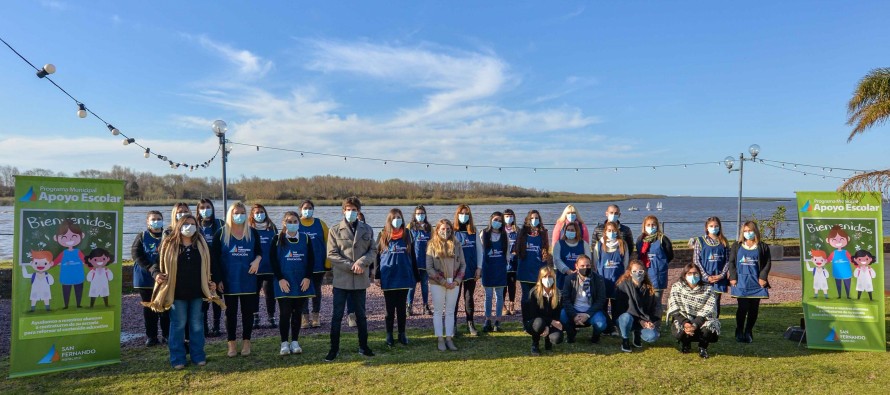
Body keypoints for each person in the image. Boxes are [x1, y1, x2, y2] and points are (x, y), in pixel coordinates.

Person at [144, 213, 224, 369]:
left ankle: (198, 356)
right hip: (177, 293)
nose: (189, 227)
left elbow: (212, 265)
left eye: (193, 224)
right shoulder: (168, 244)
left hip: (198, 292)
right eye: (186, 223)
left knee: (197, 325)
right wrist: (156, 274)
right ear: (179, 226)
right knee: (178, 325)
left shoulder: (202, 243)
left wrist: (213, 282)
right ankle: (177, 358)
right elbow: (156, 264)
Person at [325, 196, 376, 362]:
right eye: (348, 209)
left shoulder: (367, 229)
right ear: (343, 211)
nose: (351, 212)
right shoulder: (334, 230)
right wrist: (351, 265)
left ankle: (364, 346)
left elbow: (373, 251)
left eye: (354, 210)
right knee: (337, 315)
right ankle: (334, 349)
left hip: (360, 279)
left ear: (359, 211)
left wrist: (361, 262)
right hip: (342, 280)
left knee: (361, 315)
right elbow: (332, 254)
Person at [212, 202, 262, 357]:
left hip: (248, 279)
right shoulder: (220, 233)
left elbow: (259, 252)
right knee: (230, 313)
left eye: (242, 212)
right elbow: (214, 259)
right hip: (229, 280)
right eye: (236, 212)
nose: (239, 215)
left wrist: (257, 260)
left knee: (248, 312)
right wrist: (218, 279)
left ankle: (246, 342)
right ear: (230, 214)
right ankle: (231, 344)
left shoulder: (252, 232)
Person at [270, 211, 315, 356]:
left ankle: (295, 341)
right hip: (284, 282)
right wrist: (280, 279)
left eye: (295, 221)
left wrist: (308, 277)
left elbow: (311, 260)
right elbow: (273, 261)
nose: (293, 224)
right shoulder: (277, 239)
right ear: (284, 223)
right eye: (290, 221)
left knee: (298, 312)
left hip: (301, 282)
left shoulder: (306, 238)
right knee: (285, 313)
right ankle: (284, 342)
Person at [374, 208, 418, 346]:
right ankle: (389, 335)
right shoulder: (382, 234)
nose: (397, 220)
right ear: (389, 219)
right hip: (388, 276)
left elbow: (413, 256)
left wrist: (416, 275)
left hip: (403, 275)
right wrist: (377, 276)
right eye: (394, 217)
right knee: (389, 309)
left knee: (401, 308)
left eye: (399, 217)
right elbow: (376, 256)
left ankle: (402, 333)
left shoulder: (408, 234)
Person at [727, 221, 771, 343]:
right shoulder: (737, 245)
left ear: (755, 231)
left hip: (756, 282)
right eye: (745, 231)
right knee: (743, 307)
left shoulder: (763, 246)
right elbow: (731, 262)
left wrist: (763, 277)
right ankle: (739, 330)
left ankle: (748, 331)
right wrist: (733, 277)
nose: (748, 233)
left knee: (754, 308)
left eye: (750, 231)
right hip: (741, 281)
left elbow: (767, 262)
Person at [426, 219, 466, 351]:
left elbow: (463, 265)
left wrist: (457, 281)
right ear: (437, 230)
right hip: (437, 283)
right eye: (442, 229)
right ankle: (440, 338)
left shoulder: (457, 244)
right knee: (438, 311)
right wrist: (442, 282)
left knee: (450, 312)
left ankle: (449, 338)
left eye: (448, 229)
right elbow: (429, 268)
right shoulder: (431, 245)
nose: (445, 231)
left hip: (454, 282)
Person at [131, 210, 169, 346]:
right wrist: (151, 269)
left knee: (165, 307)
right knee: (149, 309)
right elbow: (136, 255)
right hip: (145, 277)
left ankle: (166, 335)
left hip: (164, 277)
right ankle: (151, 336)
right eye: (153, 219)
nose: (156, 221)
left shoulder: (168, 235)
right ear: (147, 222)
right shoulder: (142, 236)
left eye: (159, 218)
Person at [666, 263, 720, 359]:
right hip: (684, 318)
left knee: (708, 329)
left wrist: (695, 324)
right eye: (690, 273)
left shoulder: (708, 289)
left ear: (700, 274)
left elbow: (708, 310)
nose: (693, 276)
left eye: (695, 273)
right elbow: (674, 308)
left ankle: (703, 347)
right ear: (684, 275)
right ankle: (686, 344)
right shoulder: (677, 287)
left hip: (702, 320)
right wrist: (686, 323)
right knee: (679, 331)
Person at [613, 260, 660, 352]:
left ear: (644, 273)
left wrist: (649, 321)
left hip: (643, 320)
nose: (637, 274)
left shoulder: (648, 288)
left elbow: (652, 309)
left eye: (640, 271)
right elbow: (620, 309)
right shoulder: (622, 286)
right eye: (634, 271)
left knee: (652, 336)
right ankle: (625, 340)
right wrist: (640, 321)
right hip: (625, 318)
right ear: (630, 273)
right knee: (626, 318)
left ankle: (637, 333)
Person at [559, 255, 607, 343]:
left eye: (588, 266)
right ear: (576, 266)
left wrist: (587, 314)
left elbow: (601, 300)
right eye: (582, 266)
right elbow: (566, 299)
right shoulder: (569, 279)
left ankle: (595, 337)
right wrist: (574, 315)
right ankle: (571, 334)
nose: (585, 268)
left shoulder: (598, 279)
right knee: (562, 315)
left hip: (591, 311)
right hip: (574, 310)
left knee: (601, 324)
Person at [592, 221, 630, 334]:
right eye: (609, 230)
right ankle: (606, 328)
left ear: (617, 231)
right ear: (605, 232)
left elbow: (626, 263)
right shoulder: (599, 244)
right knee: (602, 306)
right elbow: (595, 262)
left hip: (617, 281)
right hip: (603, 281)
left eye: (614, 230)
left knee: (616, 307)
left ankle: (615, 327)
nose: (611, 232)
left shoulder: (622, 244)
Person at [298, 199, 329, 329]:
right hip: (300, 266)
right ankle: (304, 317)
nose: (308, 210)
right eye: (305, 208)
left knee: (316, 291)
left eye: (310, 208)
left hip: (318, 265)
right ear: (300, 209)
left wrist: (328, 262)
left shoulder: (320, 224)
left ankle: (316, 316)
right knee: (303, 290)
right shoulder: (295, 223)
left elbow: (329, 243)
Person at [635, 215, 674, 319]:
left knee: (656, 302)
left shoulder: (663, 239)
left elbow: (670, 255)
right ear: (644, 226)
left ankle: (656, 325)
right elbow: (639, 255)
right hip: (644, 275)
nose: (651, 227)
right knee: (644, 300)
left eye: (653, 225)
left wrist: (660, 265)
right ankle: (645, 322)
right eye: (648, 225)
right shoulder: (640, 240)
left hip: (658, 276)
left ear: (657, 226)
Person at [196, 199, 225, 337]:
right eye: (202, 207)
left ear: (212, 208)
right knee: (203, 298)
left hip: (218, 265)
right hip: (201, 267)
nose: (205, 210)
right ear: (198, 210)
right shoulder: (194, 224)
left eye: (208, 207)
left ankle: (217, 326)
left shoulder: (220, 224)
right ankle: (205, 327)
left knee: (217, 295)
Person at [692, 217, 730, 316]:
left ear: (720, 227)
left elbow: (728, 260)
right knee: (702, 300)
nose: (714, 228)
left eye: (716, 226)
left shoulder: (724, 241)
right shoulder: (700, 241)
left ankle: (714, 323)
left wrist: (721, 275)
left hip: (719, 278)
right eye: (711, 226)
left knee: (715, 301)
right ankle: (701, 323)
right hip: (704, 278)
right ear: (706, 227)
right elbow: (696, 260)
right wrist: (706, 276)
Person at [522, 266, 563, 355]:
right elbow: (533, 315)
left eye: (550, 277)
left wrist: (550, 326)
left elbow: (557, 315)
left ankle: (548, 341)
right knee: (539, 323)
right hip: (535, 322)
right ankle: (535, 344)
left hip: (551, 323)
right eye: (545, 277)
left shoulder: (558, 294)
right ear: (540, 278)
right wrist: (549, 323)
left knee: (557, 338)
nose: (548, 279)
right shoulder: (534, 293)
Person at [453, 204, 481, 336]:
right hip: (455, 272)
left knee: (469, 298)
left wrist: (479, 268)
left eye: (466, 214)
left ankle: (470, 323)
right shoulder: (452, 232)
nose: (464, 216)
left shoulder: (474, 231)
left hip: (471, 270)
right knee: (455, 299)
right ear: (457, 215)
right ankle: (453, 325)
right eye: (461, 213)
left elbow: (480, 251)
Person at [249, 203, 278, 329]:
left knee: (269, 294)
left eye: (261, 212)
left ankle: (271, 317)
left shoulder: (272, 228)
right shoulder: (248, 229)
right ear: (252, 215)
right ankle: (255, 318)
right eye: (256, 212)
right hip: (254, 268)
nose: (259, 214)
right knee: (254, 294)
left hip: (269, 268)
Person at [479, 211, 508, 332]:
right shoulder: (484, 234)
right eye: (495, 220)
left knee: (500, 296)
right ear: (491, 220)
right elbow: (480, 252)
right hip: (487, 268)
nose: (498, 222)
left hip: (500, 268)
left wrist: (505, 265)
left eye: (500, 221)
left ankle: (498, 321)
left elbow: (507, 253)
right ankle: (487, 320)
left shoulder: (504, 235)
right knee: (488, 295)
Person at [515, 210, 550, 306]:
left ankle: (536, 318)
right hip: (525, 269)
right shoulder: (522, 233)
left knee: (537, 296)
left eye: (536, 218)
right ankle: (526, 319)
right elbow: (517, 250)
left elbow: (546, 251)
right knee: (526, 296)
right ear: (528, 220)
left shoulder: (543, 233)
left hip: (538, 270)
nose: (534, 220)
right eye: (532, 218)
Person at [407, 205, 433, 316]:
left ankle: (425, 305)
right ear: (414, 215)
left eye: (422, 213)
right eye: (418, 213)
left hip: (425, 261)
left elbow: (433, 244)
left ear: (425, 214)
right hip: (413, 262)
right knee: (411, 285)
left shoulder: (429, 228)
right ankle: (409, 306)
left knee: (424, 285)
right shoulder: (410, 227)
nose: (420, 215)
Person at [553, 221, 590, 290]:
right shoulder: (559, 244)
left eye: (572, 230)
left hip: (581, 277)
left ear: (577, 232)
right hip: (563, 277)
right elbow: (557, 260)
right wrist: (567, 270)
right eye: (568, 230)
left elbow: (588, 259)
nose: (570, 231)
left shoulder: (584, 244)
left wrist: (579, 271)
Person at [502, 208, 520, 315]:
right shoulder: (501, 230)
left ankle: (512, 304)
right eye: (506, 216)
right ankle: (503, 306)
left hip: (514, 262)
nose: (509, 218)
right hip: (503, 262)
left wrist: (516, 252)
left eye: (510, 216)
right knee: (503, 284)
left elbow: (520, 245)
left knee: (512, 283)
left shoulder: (517, 230)